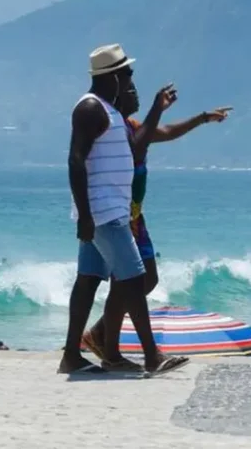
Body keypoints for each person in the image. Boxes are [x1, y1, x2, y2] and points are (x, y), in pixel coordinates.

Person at [57, 44, 186, 376]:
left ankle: (73, 355)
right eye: (126, 73)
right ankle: (152, 356)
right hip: (103, 213)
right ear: (111, 76)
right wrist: (85, 215)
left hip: (107, 211)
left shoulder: (109, 112)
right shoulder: (89, 109)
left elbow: (136, 145)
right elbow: (75, 160)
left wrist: (158, 109)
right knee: (134, 277)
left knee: (88, 280)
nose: (130, 78)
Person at [81, 75, 231, 358]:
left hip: (136, 216)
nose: (136, 94)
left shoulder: (133, 126)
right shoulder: (116, 130)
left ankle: (100, 334)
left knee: (147, 279)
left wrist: (202, 118)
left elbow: (166, 132)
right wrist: (157, 107)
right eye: (131, 90)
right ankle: (109, 346)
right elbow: (137, 145)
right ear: (118, 97)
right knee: (128, 281)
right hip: (119, 215)